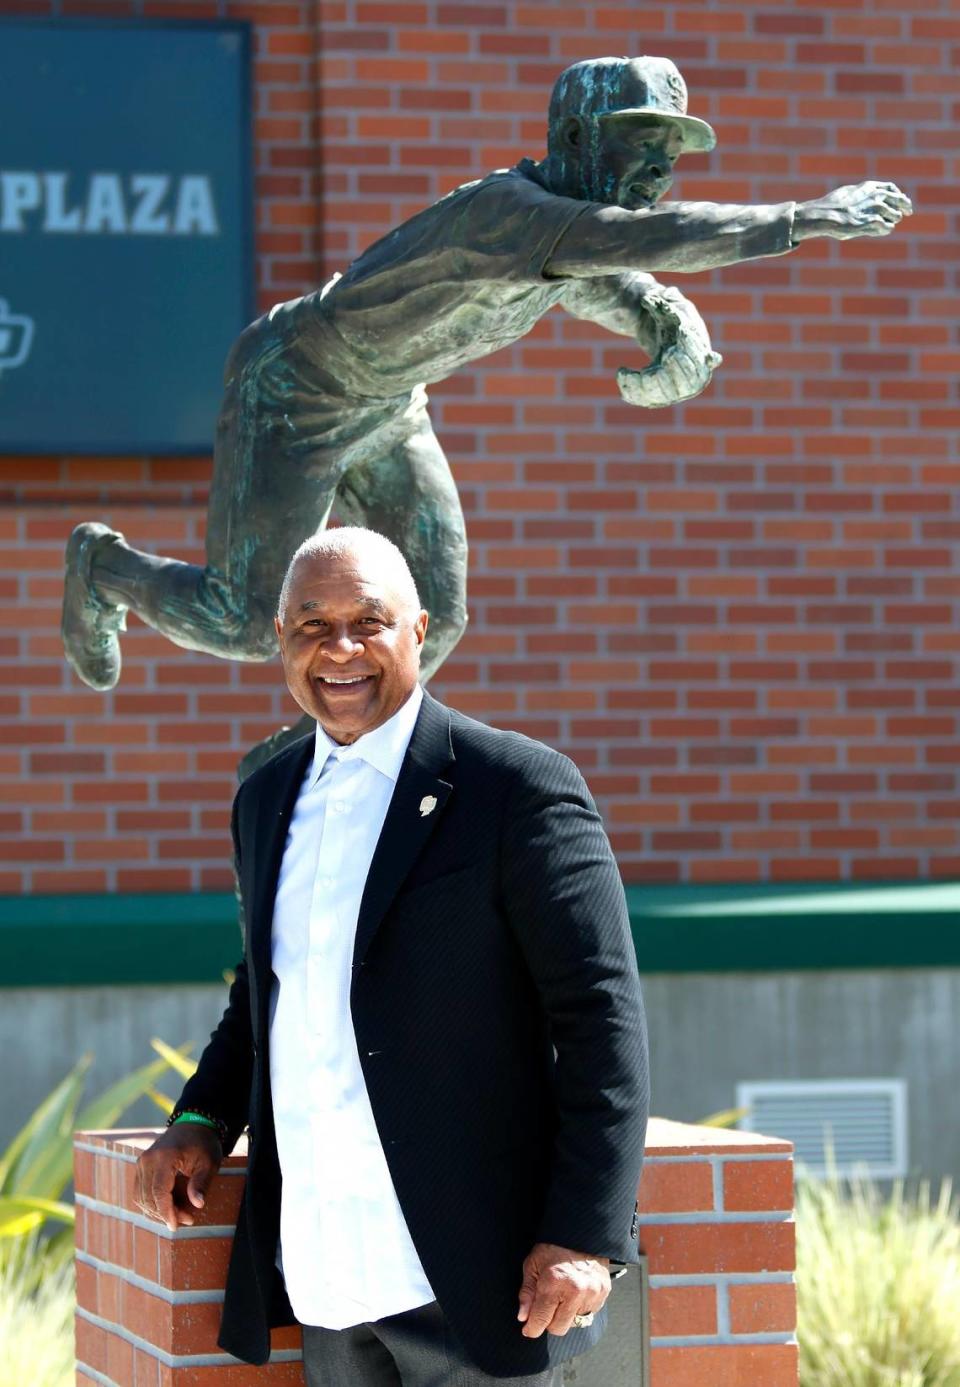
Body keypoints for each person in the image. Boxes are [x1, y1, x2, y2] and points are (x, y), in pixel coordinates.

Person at [62, 55, 911, 731]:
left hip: (390, 405)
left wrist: (663, 317)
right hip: (296, 391)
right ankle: (104, 569)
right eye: (639, 145)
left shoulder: (555, 234)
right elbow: (643, 238)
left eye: (670, 154)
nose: (658, 169)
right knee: (248, 622)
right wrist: (806, 216)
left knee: (438, 611)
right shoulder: (509, 212)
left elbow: (603, 274)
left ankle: (348, 740)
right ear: (576, 136)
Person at [134, 527, 649, 1385]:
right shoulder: (265, 799)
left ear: (423, 630)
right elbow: (267, 989)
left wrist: (588, 1234)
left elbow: (603, 1013)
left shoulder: (515, 785)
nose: (338, 650)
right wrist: (199, 1119)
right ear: (279, 639)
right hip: (329, 1271)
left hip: (480, 1281)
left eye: (367, 621)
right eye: (311, 625)